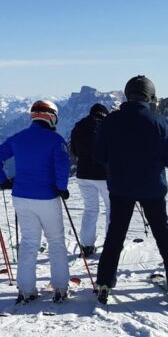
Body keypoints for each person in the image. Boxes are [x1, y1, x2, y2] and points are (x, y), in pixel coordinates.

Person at [94, 75, 168, 305]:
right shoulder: (160, 121)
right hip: (152, 187)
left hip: (120, 186)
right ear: (151, 96)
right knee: (163, 233)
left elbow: (98, 155)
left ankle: (105, 281)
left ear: (128, 94)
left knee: (115, 233)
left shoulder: (111, 121)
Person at [0, 101, 71, 304]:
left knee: (28, 243)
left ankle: (26, 289)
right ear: (52, 116)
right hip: (47, 197)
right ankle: (60, 288)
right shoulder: (55, 140)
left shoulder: (19, 138)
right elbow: (62, 165)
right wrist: (61, 188)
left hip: (21, 196)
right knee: (55, 241)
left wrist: (3, 180)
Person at [70, 103, 111, 257]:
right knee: (111, 208)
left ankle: (87, 245)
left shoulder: (79, 126)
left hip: (83, 174)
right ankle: (111, 245)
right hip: (104, 175)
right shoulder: (108, 126)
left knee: (90, 209)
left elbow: (74, 151)